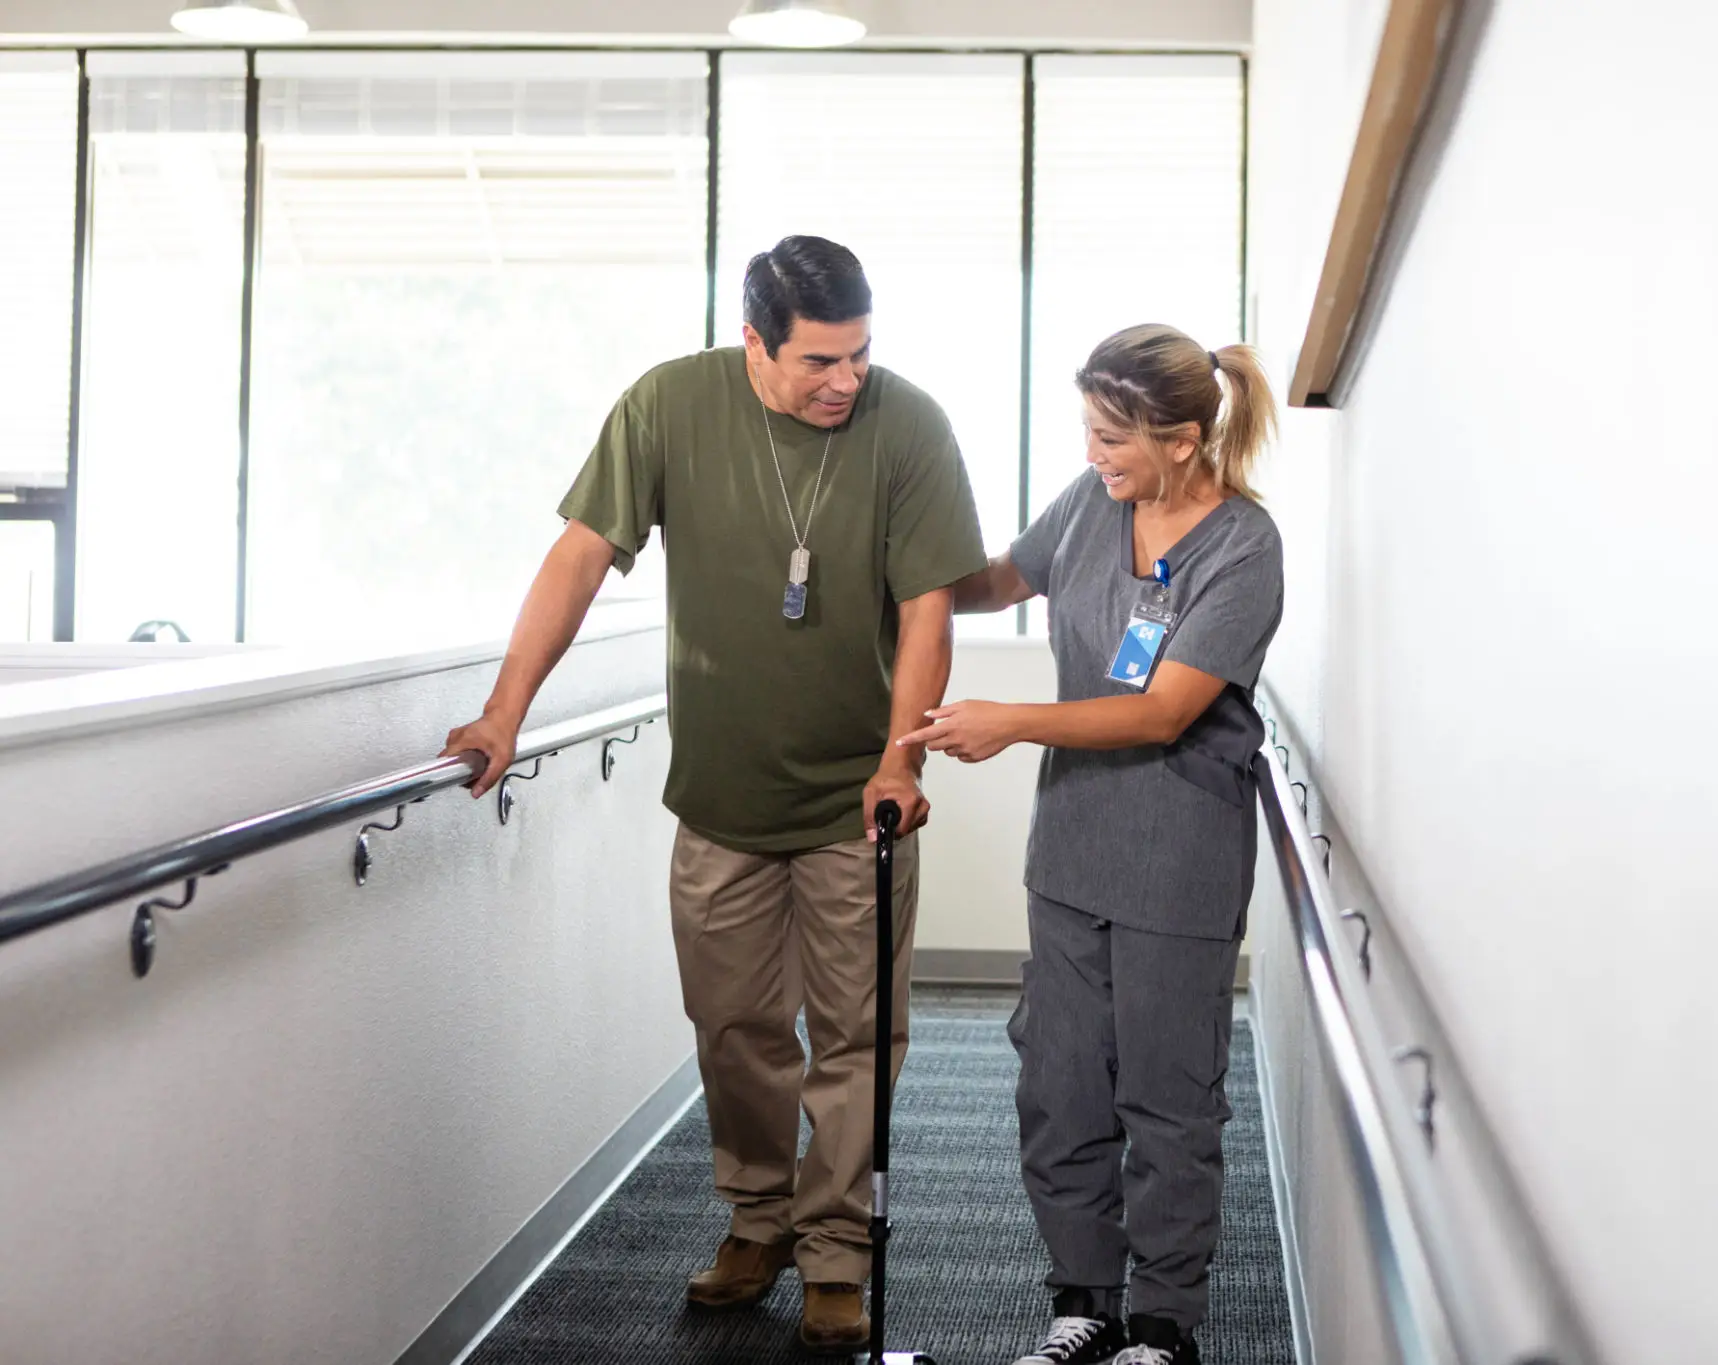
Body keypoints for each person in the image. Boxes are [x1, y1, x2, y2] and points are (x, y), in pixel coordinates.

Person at [441, 235, 986, 1355]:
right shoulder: (667, 406)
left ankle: (835, 1249)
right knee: (734, 1029)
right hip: (720, 798)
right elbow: (579, 557)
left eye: (859, 356)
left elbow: (929, 609)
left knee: (855, 1033)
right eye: (817, 363)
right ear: (752, 341)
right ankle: (758, 1218)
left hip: (856, 800)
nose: (844, 381)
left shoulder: (910, 425)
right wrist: (505, 711)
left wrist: (903, 760)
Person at [903, 324, 1283, 1365]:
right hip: (1071, 849)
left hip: (1178, 858)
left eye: (1112, 438)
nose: (1091, 455)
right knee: (1059, 1084)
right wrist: (903, 559)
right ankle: (1084, 1301)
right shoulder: (1090, 504)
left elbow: (1162, 713)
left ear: (1184, 437)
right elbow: (996, 582)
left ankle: (1160, 1325)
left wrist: (1012, 720)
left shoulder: (1242, 547)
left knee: (1164, 1097)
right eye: (1086, 431)